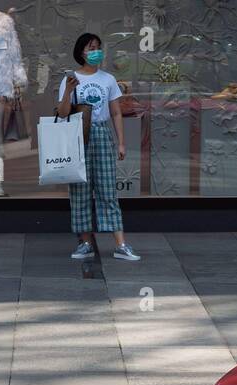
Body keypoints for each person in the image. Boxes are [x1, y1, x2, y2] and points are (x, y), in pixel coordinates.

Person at [56, 33, 140, 261]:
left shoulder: (108, 79)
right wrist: (68, 91)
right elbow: (62, 113)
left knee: (107, 189)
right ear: (81, 51)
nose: (96, 52)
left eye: (98, 47)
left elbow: (115, 112)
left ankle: (121, 244)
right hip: (78, 135)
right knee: (80, 191)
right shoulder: (70, 79)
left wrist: (121, 142)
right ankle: (85, 242)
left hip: (102, 133)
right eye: (91, 48)